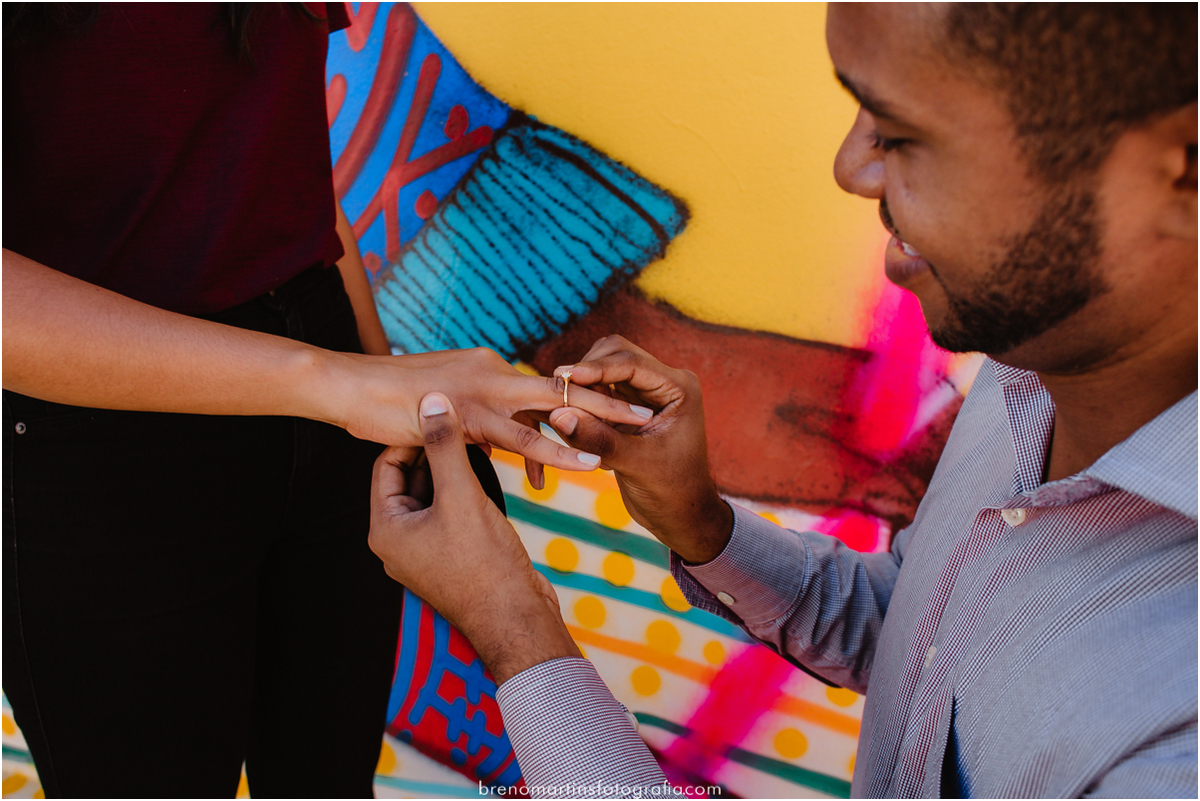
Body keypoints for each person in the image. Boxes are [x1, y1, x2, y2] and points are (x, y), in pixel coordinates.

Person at [368, 3, 1197, 798]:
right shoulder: (1035, 361)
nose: (851, 168)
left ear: (1183, 169)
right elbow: (932, 642)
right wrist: (702, 523)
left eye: (903, 134)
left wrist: (514, 628)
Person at [1, 4, 650, 797]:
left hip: (322, 378)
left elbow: (287, 164)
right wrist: (344, 383)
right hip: (104, 437)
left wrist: (395, 413)